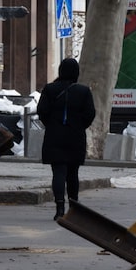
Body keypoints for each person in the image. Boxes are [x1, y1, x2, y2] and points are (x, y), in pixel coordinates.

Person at [37, 58, 96, 220]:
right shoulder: (84, 91)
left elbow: (42, 111)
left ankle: (59, 208)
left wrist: (52, 125)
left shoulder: (50, 89)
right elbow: (90, 113)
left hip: (54, 136)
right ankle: (74, 208)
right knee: (73, 173)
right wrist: (79, 125)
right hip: (75, 137)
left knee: (58, 172)